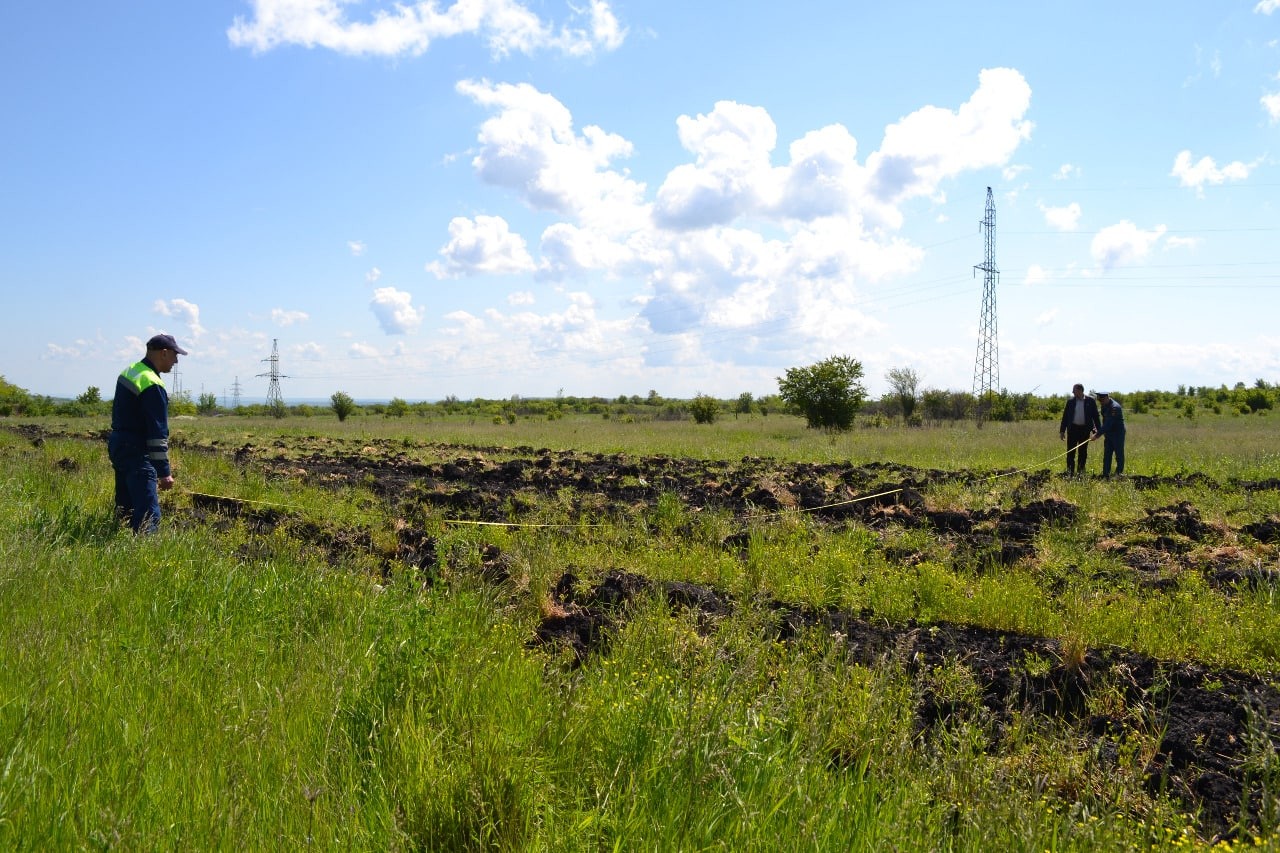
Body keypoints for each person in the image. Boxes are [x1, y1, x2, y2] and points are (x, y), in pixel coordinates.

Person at [108, 333, 188, 532]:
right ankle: (142, 550)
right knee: (148, 513)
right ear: (163, 353)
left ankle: (119, 539)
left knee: (125, 504)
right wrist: (164, 473)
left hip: (119, 444)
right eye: (174, 355)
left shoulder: (131, 371)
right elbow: (157, 432)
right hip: (137, 450)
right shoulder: (152, 383)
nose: (176, 361)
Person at [1058, 383, 1101, 476]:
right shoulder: (1070, 402)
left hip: (1084, 430)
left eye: (1074, 390)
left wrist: (1098, 432)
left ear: (1080, 390)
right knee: (1070, 452)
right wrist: (1062, 431)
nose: (1072, 392)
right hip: (1072, 430)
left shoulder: (1090, 401)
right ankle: (1070, 472)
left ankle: (1080, 472)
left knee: (1083, 452)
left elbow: (1096, 417)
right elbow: (1065, 417)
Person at [1092, 391, 1126, 478]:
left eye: (1102, 400)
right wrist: (1099, 430)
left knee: (1119, 455)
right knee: (1107, 454)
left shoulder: (1115, 407)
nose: (1101, 402)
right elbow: (1104, 421)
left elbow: (1109, 423)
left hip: (1118, 434)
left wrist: (1097, 435)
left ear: (1107, 397)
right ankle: (1105, 475)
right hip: (1108, 434)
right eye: (1100, 401)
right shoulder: (1104, 406)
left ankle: (1118, 474)